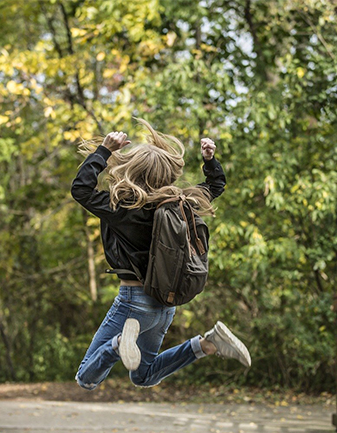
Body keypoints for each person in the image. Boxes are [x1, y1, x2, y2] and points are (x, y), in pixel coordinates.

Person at [71, 118, 251, 391]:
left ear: (132, 169)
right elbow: (215, 187)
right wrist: (210, 161)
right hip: (165, 305)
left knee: (86, 378)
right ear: (166, 173)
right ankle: (207, 344)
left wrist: (104, 150)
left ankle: (119, 344)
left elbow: (81, 189)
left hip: (133, 303)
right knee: (143, 376)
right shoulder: (181, 203)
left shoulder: (120, 207)